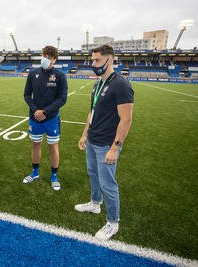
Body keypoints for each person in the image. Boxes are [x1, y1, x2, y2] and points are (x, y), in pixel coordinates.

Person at [75, 44, 134, 241]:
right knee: (93, 175)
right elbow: (92, 112)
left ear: (110, 60)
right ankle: (94, 203)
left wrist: (115, 148)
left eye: (97, 60)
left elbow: (126, 119)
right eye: (92, 60)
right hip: (92, 141)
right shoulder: (97, 83)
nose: (93, 64)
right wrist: (85, 134)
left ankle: (113, 223)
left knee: (108, 184)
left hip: (107, 145)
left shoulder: (121, 84)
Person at [23, 45, 68, 191]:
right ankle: (35, 172)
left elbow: (62, 99)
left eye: (49, 57)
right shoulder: (33, 73)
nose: (45, 59)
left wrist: (46, 112)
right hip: (35, 117)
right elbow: (26, 95)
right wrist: (36, 110)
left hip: (51, 118)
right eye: (44, 56)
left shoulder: (60, 75)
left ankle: (54, 176)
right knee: (35, 144)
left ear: (54, 60)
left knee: (53, 146)